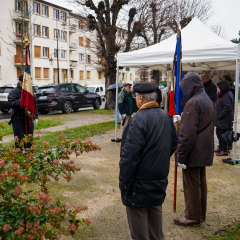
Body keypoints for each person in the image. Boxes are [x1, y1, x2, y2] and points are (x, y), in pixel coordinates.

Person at [119, 82, 178, 240]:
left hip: (138, 184)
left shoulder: (138, 121)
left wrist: (124, 184)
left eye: (136, 96)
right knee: (156, 232)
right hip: (158, 180)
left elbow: (129, 158)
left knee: (141, 234)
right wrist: (158, 160)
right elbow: (173, 144)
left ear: (140, 98)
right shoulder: (165, 116)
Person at [174, 72, 214, 227]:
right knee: (200, 183)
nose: (183, 91)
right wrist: (184, 116)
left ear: (190, 86)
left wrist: (180, 156)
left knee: (191, 184)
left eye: (185, 87)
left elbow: (187, 133)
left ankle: (192, 216)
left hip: (194, 150)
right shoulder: (205, 99)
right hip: (203, 149)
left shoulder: (193, 102)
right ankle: (200, 214)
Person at [8, 74, 38, 148]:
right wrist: (22, 101)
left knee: (29, 141)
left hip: (29, 119)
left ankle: (29, 156)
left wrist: (36, 116)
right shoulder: (14, 92)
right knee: (19, 142)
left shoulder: (31, 91)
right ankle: (20, 157)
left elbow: (34, 104)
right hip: (18, 120)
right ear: (21, 82)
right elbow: (11, 104)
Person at [214, 81, 234, 156]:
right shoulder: (223, 94)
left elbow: (227, 108)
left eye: (218, 87)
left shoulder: (227, 95)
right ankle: (221, 147)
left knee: (223, 135)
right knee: (218, 133)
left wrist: (219, 116)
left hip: (225, 120)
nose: (218, 89)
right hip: (221, 120)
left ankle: (225, 150)